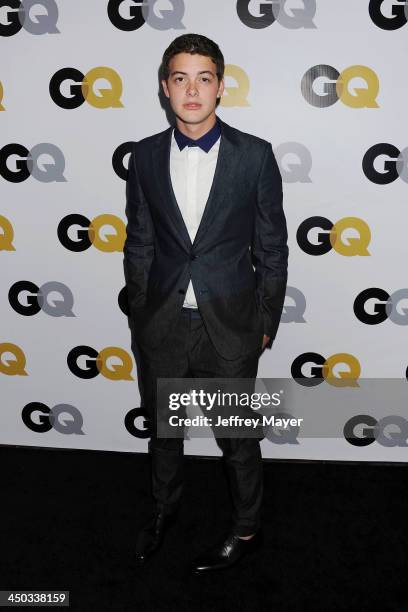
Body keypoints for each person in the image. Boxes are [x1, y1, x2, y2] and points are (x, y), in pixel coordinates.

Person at [123, 33, 288, 573]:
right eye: (180, 78)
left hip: (230, 326)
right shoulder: (144, 156)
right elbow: (140, 238)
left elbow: (271, 246)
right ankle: (163, 513)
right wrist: (143, 309)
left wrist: (265, 322)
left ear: (220, 85)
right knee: (165, 434)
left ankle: (247, 529)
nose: (191, 90)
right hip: (164, 323)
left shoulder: (255, 156)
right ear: (165, 88)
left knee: (237, 439)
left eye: (203, 78)